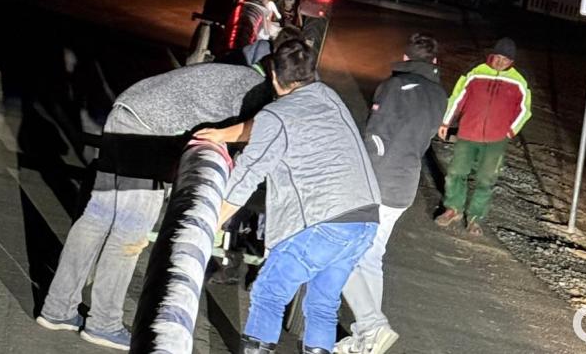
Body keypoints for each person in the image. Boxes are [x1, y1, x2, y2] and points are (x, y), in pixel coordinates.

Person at [35, 64, 269, 350]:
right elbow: (251, 138)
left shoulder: (249, 80)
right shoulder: (263, 100)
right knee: (129, 234)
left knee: (97, 217)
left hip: (126, 111)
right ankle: (102, 323)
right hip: (147, 131)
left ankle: (57, 309)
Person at [199, 40, 380, 354]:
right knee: (322, 306)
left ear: (272, 75)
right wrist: (223, 133)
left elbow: (246, 177)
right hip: (364, 220)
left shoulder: (277, 115)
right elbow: (271, 124)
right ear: (311, 72)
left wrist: (208, 227)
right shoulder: (327, 96)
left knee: (269, 292)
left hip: (324, 223)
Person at [333, 34, 448, 354]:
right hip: (405, 185)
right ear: (435, 63)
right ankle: (364, 340)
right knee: (371, 257)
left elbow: (375, 137)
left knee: (342, 255)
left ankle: (372, 327)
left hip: (377, 180)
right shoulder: (440, 96)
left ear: (405, 57)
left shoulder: (393, 87)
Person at [434, 37, 532, 236]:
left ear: (511, 62)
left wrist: (509, 131)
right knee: (455, 173)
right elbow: (457, 97)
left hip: (496, 140)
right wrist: (446, 121)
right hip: (468, 133)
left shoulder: (519, 81)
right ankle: (453, 209)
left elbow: (524, 111)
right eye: (498, 57)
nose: (501, 62)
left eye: (506, 59)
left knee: (486, 180)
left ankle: (475, 218)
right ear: (491, 56)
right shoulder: (475, 73)